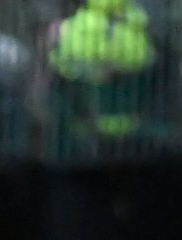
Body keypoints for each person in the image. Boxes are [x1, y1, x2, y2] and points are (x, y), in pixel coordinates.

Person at [50, 0, 155, 143]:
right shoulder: (136, 21)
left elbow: (60, 63)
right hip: (130, 125)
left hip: (86, 126)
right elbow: (147, 60)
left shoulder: (77, 23)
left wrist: (91, 71)